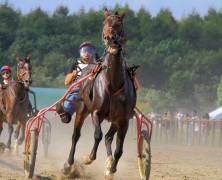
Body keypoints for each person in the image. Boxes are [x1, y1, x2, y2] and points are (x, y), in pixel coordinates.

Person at [56, 41, 99, 123]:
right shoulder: (75, 65)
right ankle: (65, 114)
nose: (86, 54)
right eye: (84, 51)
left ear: (93, 52)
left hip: (95, 88)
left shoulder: (98, 64)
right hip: (79, 89)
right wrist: (72, 74)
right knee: (73, 96)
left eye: (89, 51)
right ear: (80, 53)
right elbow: (66, 82)